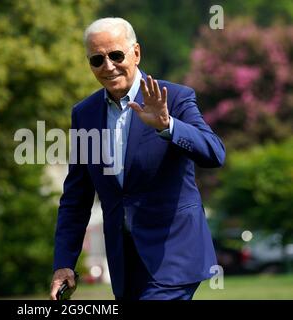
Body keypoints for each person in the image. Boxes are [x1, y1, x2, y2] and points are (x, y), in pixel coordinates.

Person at [49, 17, 225, 300]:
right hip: (125, 260)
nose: (108, 66)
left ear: (136, 53)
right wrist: (64, 263)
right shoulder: (84, 113)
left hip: (174, 254)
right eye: (97, 60)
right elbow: (76, 198)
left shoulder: (176, 98)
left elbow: (214, 152)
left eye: (116, 55)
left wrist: (167, 126)